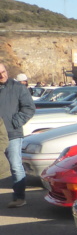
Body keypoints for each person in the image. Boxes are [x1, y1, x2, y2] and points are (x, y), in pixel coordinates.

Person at [0, 62, 36, 208]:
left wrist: (15, 122)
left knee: (15, 165)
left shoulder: (18, 88)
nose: (2, 75)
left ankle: (19, 197)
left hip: (13, 134)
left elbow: (29, 108)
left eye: (3, 71)